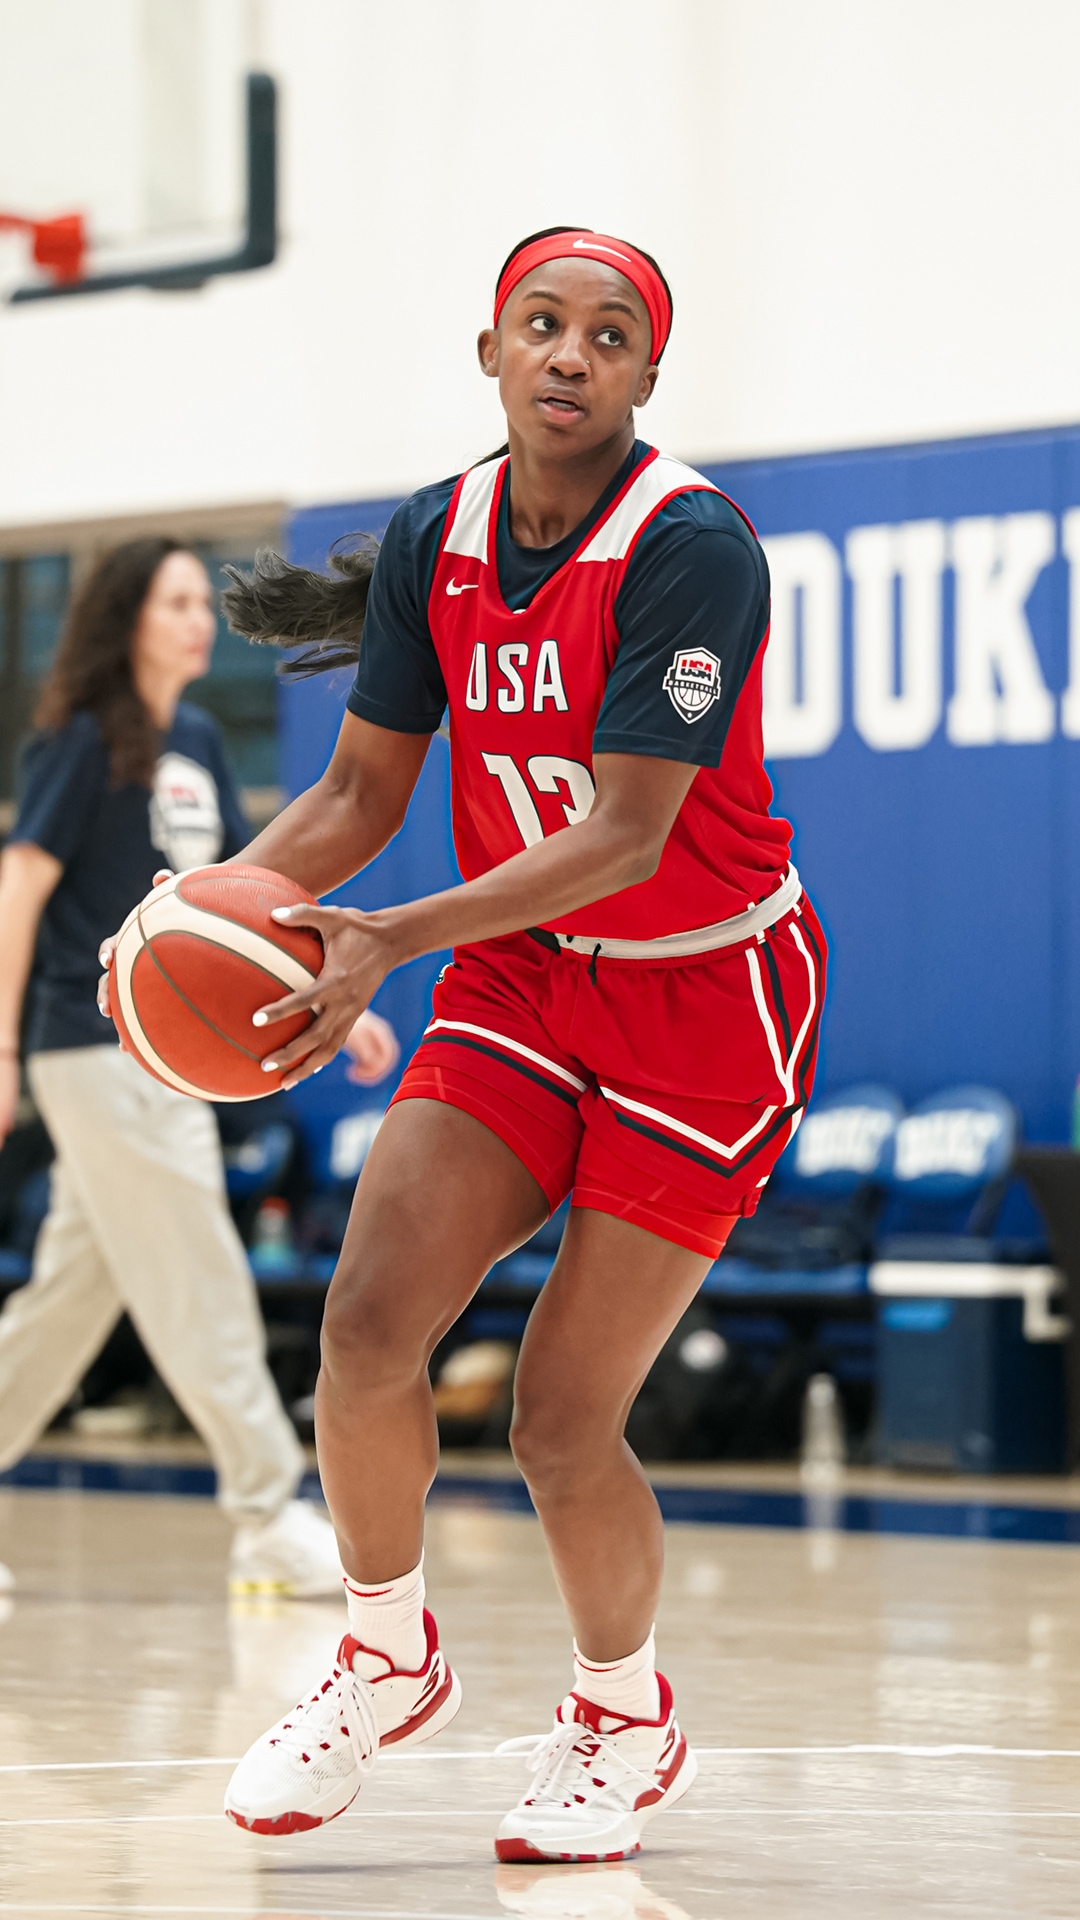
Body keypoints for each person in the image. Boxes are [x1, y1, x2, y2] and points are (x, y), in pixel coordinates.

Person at [109, 228, 826, 1861]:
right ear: (491, 351)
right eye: (541, 325)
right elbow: (363, 795)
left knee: (561, 1423)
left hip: (701, 998)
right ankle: (381, 1652)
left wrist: (385, 942)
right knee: (364, 1328)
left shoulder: (693, 546)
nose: (571, 353)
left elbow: (630, 836)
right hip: (517, 982)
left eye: (609, 334)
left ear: (647, 377)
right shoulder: (439, 533)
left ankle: (624, 1719)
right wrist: (182, 926)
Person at [0, 537, 397, 1597]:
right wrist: (0, 1049)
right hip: (94, 1047)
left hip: (163, 1062)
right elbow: (19, 889)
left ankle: (264, 1509)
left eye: (196, 601)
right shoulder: (79, 743)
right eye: (174, 600)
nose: (194, 619)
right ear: (125, 617)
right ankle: (267, 1509)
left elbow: (240, 901)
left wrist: (322, 996)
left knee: (67, 1302)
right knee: (199, 1269)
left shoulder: (204, 739)